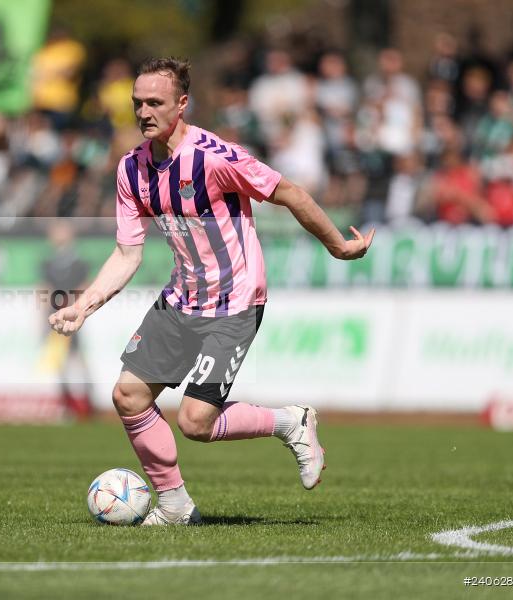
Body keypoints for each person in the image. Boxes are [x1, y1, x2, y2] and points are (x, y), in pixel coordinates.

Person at [48, 57, 374, 525]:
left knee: (195, 422)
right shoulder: (131, 170)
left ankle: (290, 422)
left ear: (181, 104)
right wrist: (83, 307)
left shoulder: (214, 156)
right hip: (181, 298)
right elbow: (126, 255)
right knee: (129, 396)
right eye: (137, 103)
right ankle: (176, 507)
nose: (144, 112)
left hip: (235, 299)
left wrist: (339, 246)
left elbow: (290, 193)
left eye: (155, 102)